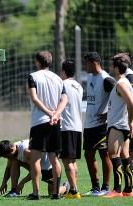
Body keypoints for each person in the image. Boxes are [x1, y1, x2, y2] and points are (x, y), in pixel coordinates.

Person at [27, 50, 68, 200]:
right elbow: (64, 99)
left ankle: (36, 193)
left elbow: (34, 98)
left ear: (38, 62)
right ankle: (56, 193)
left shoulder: (33, 76)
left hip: (39, 122)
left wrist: (49, 113)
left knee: (35, 158)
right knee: (54, 157)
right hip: (55, 122)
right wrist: (56, 114)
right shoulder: (58, 79)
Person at [83, 52, 114, 196]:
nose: (84, 66)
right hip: (89, 124)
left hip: (102, 125)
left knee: (104, 154)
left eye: (86, 63)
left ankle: (106, 187)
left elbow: (121, 95)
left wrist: (109, 113)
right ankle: (95, 187)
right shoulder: (90, 78)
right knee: (88, 154)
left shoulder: (106, 79)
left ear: (94, 63)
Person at [102, 54, 133, 198]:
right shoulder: (124, 82)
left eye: (111, 66)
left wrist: (131, 122)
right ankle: (129, 189)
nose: (110, 69)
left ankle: (117, 190)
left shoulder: (121, 84)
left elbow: (131, 103)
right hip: (122, 124)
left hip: (118, 125)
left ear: (116, 68)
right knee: (125, 156)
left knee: (113, 154)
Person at [0, 140, 69, 197]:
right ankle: (13, 190)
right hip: (37, 165)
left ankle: (66, 187)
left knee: (52, 193)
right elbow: (8, 168)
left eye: (7, 156)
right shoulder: (13, 150)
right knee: (14, 161)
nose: (7, 159)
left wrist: (22, 183)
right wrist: (4, 183)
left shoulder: (26, 152)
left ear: (12, 150)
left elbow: (34, 170)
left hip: (47, 166)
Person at [59, 60, 83, 199]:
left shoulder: (62, 84)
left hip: (66, 127)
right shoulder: (78, 86)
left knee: (67, 161)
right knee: (73, 161)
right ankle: (74, 188)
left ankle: (73, 190)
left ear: (63, 71)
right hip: (77, 127)